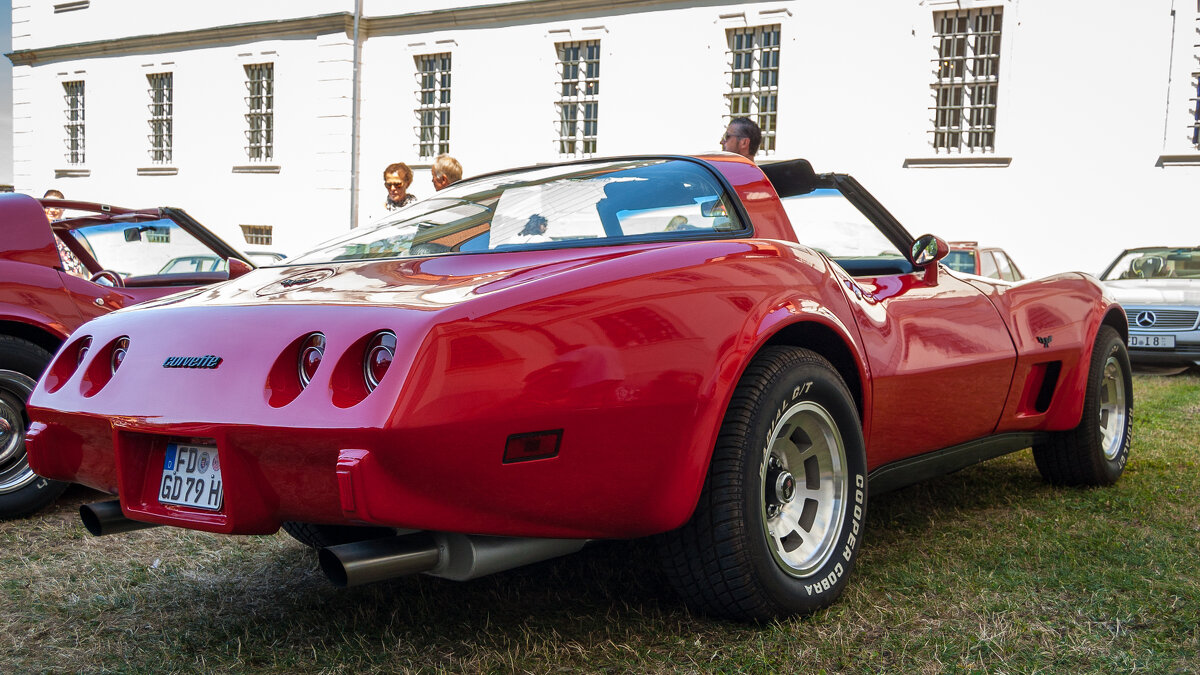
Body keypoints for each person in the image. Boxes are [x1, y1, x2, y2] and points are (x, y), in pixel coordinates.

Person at [43, 189, 88, 278]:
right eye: (48, 206)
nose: (52, 210)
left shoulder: (74, 232)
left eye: (56, 207)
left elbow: (88, 259)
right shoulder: (38, 232)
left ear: (63, 209)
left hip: (74, 281)